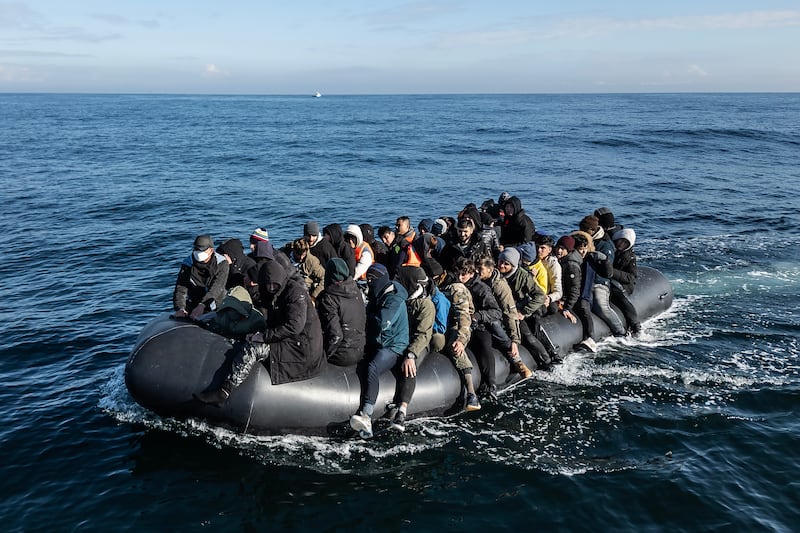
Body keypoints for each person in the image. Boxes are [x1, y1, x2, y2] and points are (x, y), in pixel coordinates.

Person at [194, 261, 325, 404]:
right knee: (251, 337)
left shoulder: (295, 293)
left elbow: (295, 326)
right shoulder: (272, 293)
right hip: (291, 339)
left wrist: (264, 337)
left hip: (301, 347)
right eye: (268, 285)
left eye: (274, 285)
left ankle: (225, 391)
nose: (271, 288)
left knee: (253, 348)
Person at [349, 264, 409, 439]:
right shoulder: (380, 294)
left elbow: (383, 323)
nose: (369, 284)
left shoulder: (394, 300)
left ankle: (366, 413)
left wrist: (365, 317)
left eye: (371, 281)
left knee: (373, 367)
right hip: (377, 341)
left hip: (393, 346)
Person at [193, 286, 265, 405]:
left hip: (245, 345)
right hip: (225, 339)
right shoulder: (222, 316)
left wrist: (248, 337)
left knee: (248, 353)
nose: (234, 314)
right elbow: (211, 322)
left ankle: (225, 391)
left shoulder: (256, 320)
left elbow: (260, 337)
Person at [455, 257, 514, 399]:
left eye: (463, 274)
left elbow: (496, 312)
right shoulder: (454, 285)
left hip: (478, 326)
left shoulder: (481, 289)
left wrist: (477, 316)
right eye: (457, 273)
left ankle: (491, 384)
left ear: (471, 273)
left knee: (484, 344)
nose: (459, 277)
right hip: (457, 325)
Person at [428, 260, 481, 411]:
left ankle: (471, 393)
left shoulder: (457, 289)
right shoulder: (436, 286)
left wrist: (461, 340)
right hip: (439, 322)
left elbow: (464, 318)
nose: (460, 276)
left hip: (455, 325)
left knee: (456, 348)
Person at [388, 265, 436, 431]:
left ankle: (402, 409)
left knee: (409, 368)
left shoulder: (426, 306)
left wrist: (411, 354)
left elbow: (423, 334)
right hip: (400, 339)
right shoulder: (401, 300)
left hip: (418, 344)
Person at [477, 256, 533, 378]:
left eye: (480, 269)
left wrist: (514, 340)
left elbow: (509, 311)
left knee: (495, 325)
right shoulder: (475, 281)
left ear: (489, 270)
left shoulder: (499, 287)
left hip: (497, 317)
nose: (477, 271)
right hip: (479, 316)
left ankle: (516, 360)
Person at [497, 247, 552, 370]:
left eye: (506, 264)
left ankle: (547, 360)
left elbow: (540, 296)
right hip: (503, 311)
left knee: (528, 337)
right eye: (501, 261)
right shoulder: (496, 275)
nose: (502, 266)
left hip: (519, 310)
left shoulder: (523, 276)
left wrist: (523, 312)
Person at [580, 215, 625, 337]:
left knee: (601, 307)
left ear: (592, 230)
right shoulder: (582, 240)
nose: (582, 232)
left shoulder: (605, 245)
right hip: (584, 280)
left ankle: (620, 331)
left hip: (599, 282)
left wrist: (600, 258)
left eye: (585, 229)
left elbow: (607, 272)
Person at [316, 258, 366, 366]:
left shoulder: (329, 298)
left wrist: (325, 356)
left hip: (341, 354)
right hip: (359, 350)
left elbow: (336, 336)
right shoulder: (356, 291)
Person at [173, 234, 230, 320]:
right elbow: (181, 288)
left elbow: (217, 287)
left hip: (217, 304)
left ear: (211, 250)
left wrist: (202, 305)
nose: (199, 252)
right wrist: (180, 308)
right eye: (196, 249)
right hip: (195, 303)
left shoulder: (221, 263)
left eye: (202, 250)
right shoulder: (188, 264)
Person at [610, 228, 641, 336]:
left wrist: (612, 272)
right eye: (621, 241)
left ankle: (635, 325)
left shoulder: (629, 257)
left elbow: (631, 277)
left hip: (623, 284)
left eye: (625, 243)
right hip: (609, 280)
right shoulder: (611, 249)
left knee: (621, 299)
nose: (621, 244)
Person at [537, 235, 563, 316]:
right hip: (535, 294)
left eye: (542, 248)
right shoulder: (533, 259)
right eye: (537, 247)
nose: (538, 250)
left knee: (552, 308)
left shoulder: (553, 264)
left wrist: (549, 298)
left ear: (549, 249)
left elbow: (558, 291)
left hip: (548, 296)